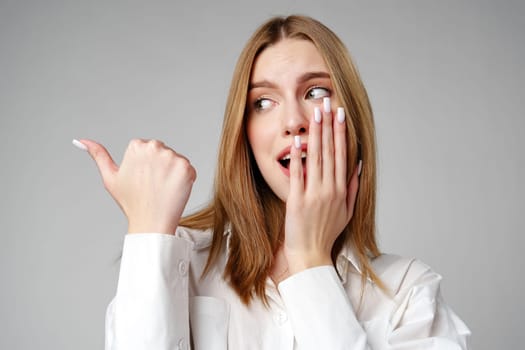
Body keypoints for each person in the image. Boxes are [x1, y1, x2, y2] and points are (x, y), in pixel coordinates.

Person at [73, 15, 470, 350]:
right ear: (243, 132)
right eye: (263, 102)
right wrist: (149, 234)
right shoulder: (183, 263)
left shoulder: (409, 294)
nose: (293, 121)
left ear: (353, 123)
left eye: (316, 92)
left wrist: (310, 262)